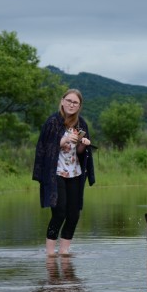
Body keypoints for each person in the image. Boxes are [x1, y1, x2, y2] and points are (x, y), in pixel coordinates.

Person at [33, 89, 96, 256]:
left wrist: (84, 143)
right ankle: (50, 254)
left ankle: (64, 252)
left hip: (75, 173)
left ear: (79, 106)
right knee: (59, 211)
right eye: (69, 100)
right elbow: (44, 147)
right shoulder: (53, 121)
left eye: (75, 102)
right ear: (62, 101)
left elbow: (81, 153)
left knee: (74, 214)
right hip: (55, 173)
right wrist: (65, 139)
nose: (71, 104)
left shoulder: (81, 123)